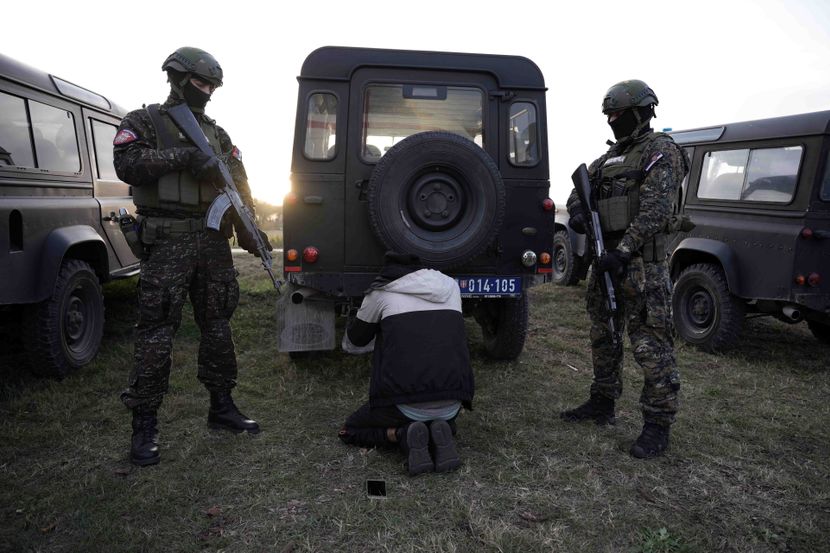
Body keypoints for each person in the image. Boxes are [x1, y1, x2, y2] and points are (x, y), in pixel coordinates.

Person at [113, 46, 271, 466]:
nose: (207, 93)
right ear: (178, 79)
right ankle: (144, 423)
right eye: (201, 84)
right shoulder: (143, 121)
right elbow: (126, 164)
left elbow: (239, 186)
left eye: (212, 87)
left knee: (218, 325)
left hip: (212, 242)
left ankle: (222, 406)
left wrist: (248, 229)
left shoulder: (218, 134)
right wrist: (184, 157)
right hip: (166, 242)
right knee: (157, 331)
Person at [561, 79, 688, 459]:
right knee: (604, 336)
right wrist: (581, 215)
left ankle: (657, 424)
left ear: (640, 112)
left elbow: (656, 210)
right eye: (608, 116)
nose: (612, 121)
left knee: (651, 346)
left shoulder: (660, 151)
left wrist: (625, 249)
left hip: (641, 266)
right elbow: (576, 193)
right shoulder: (608, 158)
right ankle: (602, 402)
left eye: (617, 115)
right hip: (606, 262)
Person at [339, 252, 474, 475]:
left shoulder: (381, 293)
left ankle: (400, 435)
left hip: (404, 406)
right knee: (436, 416)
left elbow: (355, 341)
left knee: (350, 429)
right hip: (454, 402)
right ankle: (444, 428)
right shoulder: (451, 286)